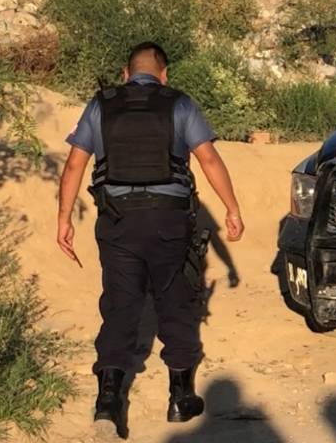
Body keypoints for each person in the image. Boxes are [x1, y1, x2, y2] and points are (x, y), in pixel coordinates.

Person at [55, 42, 244, 439]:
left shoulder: (100, 104)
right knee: (175, 300)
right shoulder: (179, 104)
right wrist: (232, 209)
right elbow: (209, 159)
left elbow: (75, 163)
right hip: (169, 221)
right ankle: (180, 398)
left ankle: (107, 403)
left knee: (120, 305)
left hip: (118, 223)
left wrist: (64, 218)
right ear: (164, 74)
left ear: (125, 74)